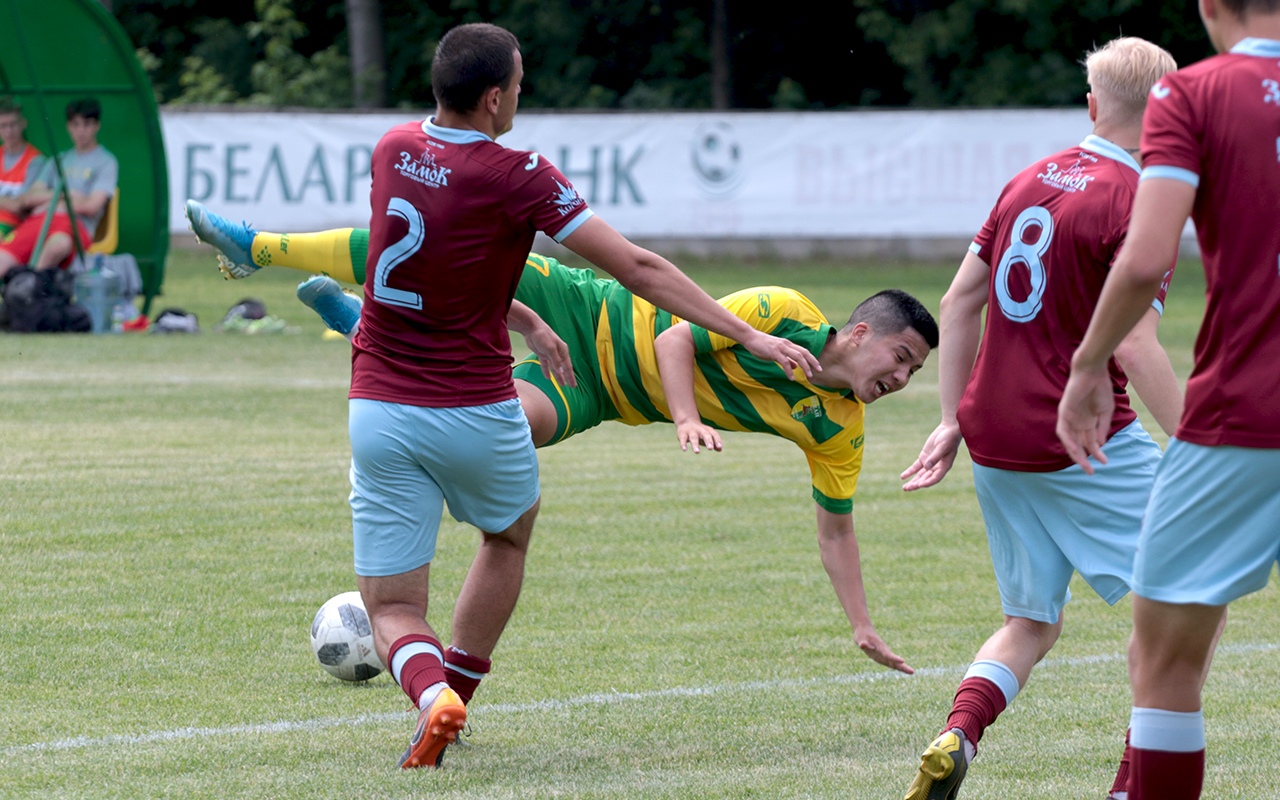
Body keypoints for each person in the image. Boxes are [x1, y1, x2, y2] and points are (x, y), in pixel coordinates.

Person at [254, 22, 820, 770]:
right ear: (494, 98)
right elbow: (639, 269)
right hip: (474, 407)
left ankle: (432, 697)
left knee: (391, 607)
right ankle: (458, 689)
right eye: (519, 84)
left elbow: (433, 262)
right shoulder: (520, 173)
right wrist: (746, 334)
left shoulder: (392, 148)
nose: (522, 95)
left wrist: (524, 317)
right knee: (508, 534)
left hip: (379, 407)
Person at [184, 206, 938, 678]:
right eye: (900, 358)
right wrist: (685, 418)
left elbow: (836, 531)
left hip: (594, 390)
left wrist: (862, 625)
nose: (902, 378)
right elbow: (676, 339)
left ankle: (364, 330)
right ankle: (261, 246)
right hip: (588, 308)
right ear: (859, 333)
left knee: (493, 428)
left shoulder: (840, 430)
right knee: (437, 257)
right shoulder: (784, 311)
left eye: (913, 373)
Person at [897, 37, 1184, 800]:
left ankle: (958, 734)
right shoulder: (1140, 202)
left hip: (994, 437)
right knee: (1188, 605)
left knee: (1030, 620)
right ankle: (1133, 782)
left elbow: (959, 300)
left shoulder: (1027, 179)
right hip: (1080, 438)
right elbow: (1136, 344)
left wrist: (954, 417)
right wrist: (1200, 447)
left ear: (1091, 106)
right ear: (1167, 114)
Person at [1057, 3, 1280, 798]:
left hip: (1245, 415)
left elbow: (1147, 256)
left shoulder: (1191, 94)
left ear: (1210, 5)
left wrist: (1088, 364)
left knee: (1165, 663)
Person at [0, 98, 116, 278]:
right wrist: (65, 195)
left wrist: (48, 202)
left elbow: (92, 206)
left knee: (57, 246)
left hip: (74, 225)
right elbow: (29, 198)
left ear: (96, 126)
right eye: (76, 124)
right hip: (40, 221)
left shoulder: (106, 162)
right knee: (3, 258)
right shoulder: (58, 160)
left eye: (87, 124)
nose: (81, 131)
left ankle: (30, 286)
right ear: (68, 127)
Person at [0, 96, 46, 237]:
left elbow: (20, 206)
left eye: (13, 124)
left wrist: (14, 204)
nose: (9, 131)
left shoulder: (35, 161)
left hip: (14, 226)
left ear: (23, 124)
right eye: (3, 126)